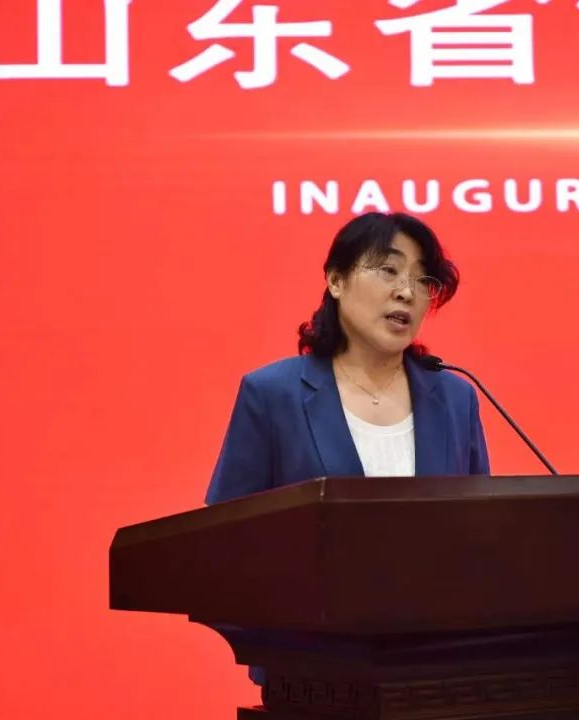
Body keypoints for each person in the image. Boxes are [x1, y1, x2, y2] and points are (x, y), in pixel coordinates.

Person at [204, 211, 491, 687]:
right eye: (389, 270)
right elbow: (223, 541)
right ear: (336, 280)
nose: (407, 292)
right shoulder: (272, 394)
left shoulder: (456, 398)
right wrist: (275, 647)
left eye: (424, 280)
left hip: (437, 675)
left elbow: (481, 536)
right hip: (311, 674)